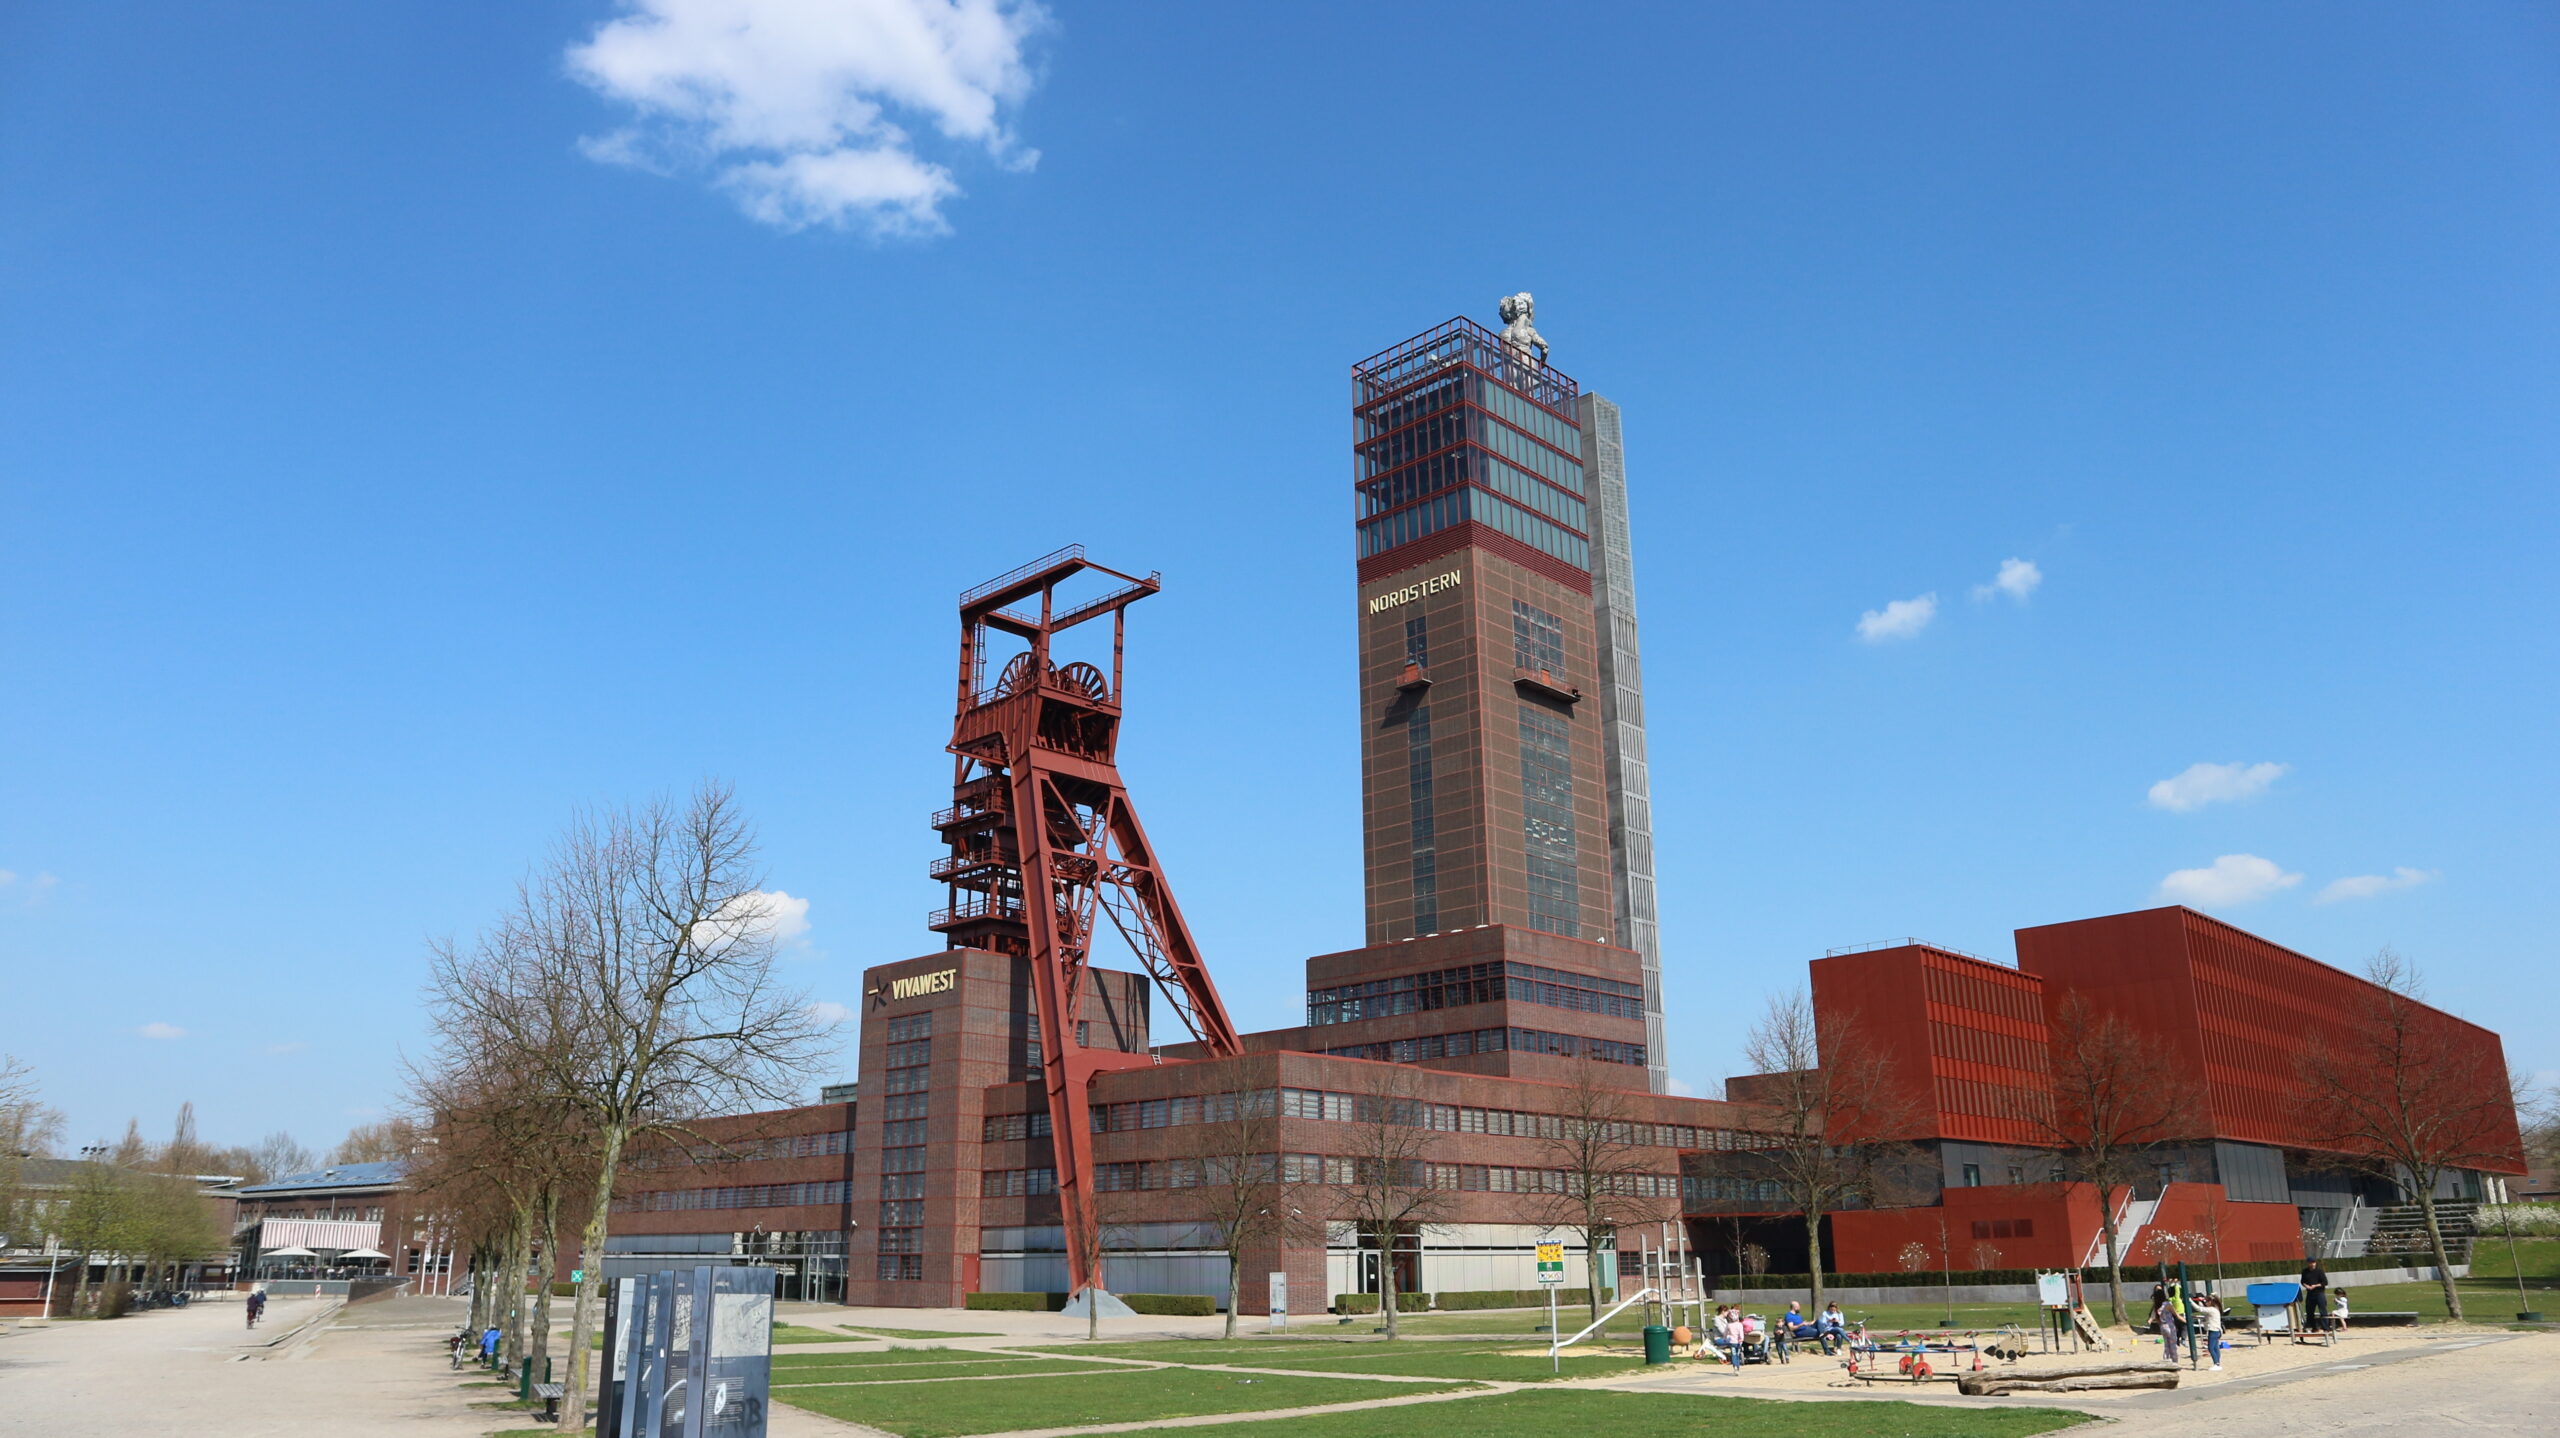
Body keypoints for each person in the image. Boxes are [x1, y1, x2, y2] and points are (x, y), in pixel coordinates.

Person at [2150, 1286, 2182, 1363]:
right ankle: (2174, 1361)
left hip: (2162, 1326)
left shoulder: (2157, 1306)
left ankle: (2166, 1360)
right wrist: (2185, 1321)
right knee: (2173, 1346)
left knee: (2166, 1346)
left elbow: (2156, 1318)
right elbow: (2176, 1315)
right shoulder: (2167, 1304)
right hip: (2170, 1326)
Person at [2194, 1293, 2225, 1371]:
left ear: (2210, 1302)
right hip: (2218, 1330)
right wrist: (2200, 1301)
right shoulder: (2215, 1309)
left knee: (2211, 1348)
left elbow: (2200, 1309)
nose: (2205, 1303)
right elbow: (2204, 1310)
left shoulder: (2211, 1309)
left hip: (2213, 1330)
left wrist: (2190, 1301)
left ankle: (2216, 1364)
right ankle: (2218, 1363)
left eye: (2206, 1301)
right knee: (2216, 1348)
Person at [2300, 1258, 2330, 1331]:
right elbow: (2302, 1281)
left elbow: (2325, 1282)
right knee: (2309, 1311)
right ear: (2308, 1263)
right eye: (2310, 1263)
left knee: (2323, 1311)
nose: (2312, 1264)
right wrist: (2306, 1286)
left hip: (2319, 1293)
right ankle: (2313, 1327)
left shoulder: (2319, 1271)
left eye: (2313, 1262)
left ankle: (2326, 1327)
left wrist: (2315, 1285)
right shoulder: (2305, 1271)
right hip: (2310, 1293)